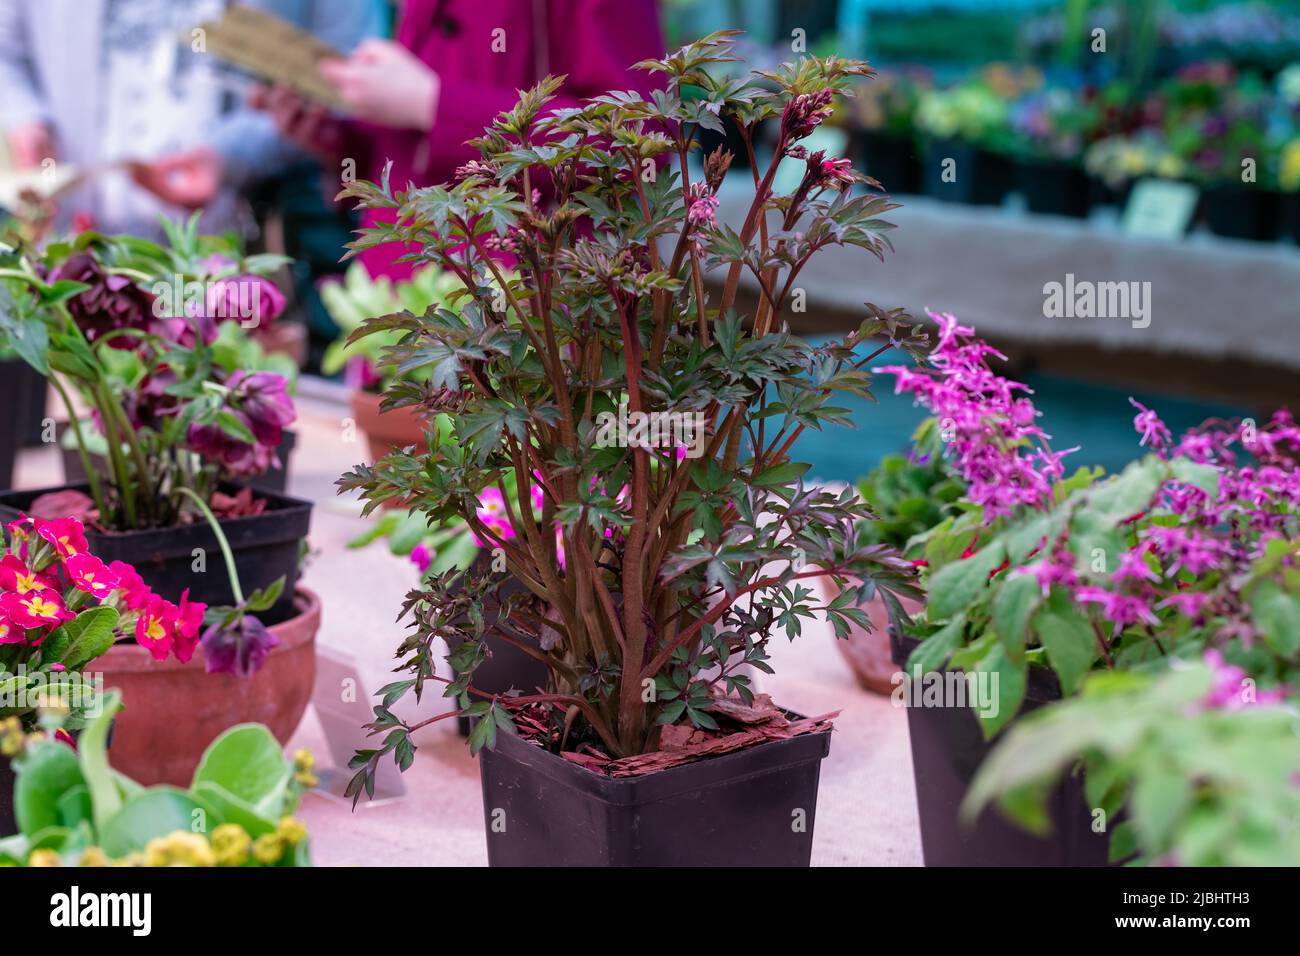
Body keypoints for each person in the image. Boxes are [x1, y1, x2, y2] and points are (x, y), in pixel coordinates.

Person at [255, 0, 664, 280]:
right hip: (395, 302)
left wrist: (433, 102)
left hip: (520, 315)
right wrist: (336, 142)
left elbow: (635, 136)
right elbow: (411, 138)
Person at [0, 0, 378, 236]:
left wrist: (234, 156)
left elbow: (355, 80)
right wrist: (27, 121)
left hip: (240, 261)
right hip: (73, 239)